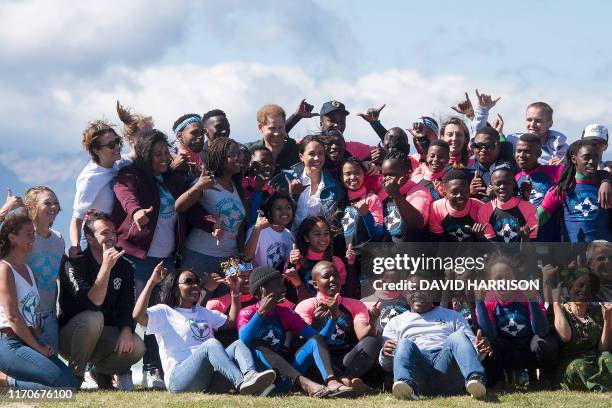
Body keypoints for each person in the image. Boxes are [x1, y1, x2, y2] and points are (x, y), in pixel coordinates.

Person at [113, 129, 216, 387]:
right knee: (132, 313)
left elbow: (188, 207)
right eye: (157, 154)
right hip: (138, 256)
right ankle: (121, 370)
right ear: (145, 155)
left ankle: (153, 370)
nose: (163, 158)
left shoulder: (172, 178)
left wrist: (210, 224)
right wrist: (136, 212)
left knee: (159, 315)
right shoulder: (131, 175)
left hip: (166, 259)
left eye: (165, 153)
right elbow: (125, 194)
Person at [133, 262, 276, 394]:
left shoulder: (202, 311)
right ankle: (242, 383)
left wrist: (235, 292)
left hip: (208, 377)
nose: (195, 285)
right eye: (189, 282)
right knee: (211, 344)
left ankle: (250, 376)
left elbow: (232, 321)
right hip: (178, 379)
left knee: (239, 343)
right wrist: (151, 282)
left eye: (197, 282)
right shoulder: (164, 311)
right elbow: (138, 316)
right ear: (174, 287)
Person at [237, 266, 356, 398]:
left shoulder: (286, 313)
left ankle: (332, 382)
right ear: (263, 290)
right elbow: (244, 340)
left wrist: (333, 318)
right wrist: (260, 314)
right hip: (262, 379)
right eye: (279, 285)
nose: (284, 289)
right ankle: (305, 384)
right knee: (257, 343)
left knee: (315, 339)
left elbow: (320, 341)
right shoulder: (247, 312)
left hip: (287, 375)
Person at [58, 210, 144, 390]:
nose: (111, 237)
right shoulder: (73, 264)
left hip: (103, 337)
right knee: (93, 317)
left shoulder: (125, 267)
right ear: (89, 238)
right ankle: (75, 377)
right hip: (70, 339)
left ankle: (101, 372)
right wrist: (106, 266)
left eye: (113, 232)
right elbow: (93, 302)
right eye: (105, 233)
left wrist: (127, 331)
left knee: (137, 347)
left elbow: (126, 306)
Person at [380, 273, 489, 400]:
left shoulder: (453, 316)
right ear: (405, 293)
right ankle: (405, 386)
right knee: (404, 343)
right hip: (418, 372)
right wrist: (385, 354)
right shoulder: (394, 323)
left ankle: (475, 379)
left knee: (458, 336)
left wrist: (480, 349)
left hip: (447, 369)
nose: (418, 293)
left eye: (424, 288)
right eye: (413, 289)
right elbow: (386, 365)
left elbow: (473, 350)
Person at [0, 210, 75, 390]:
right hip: (8, 341)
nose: (33, 238)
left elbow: (30, 314)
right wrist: (38, 347)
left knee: (69, 381)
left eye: (33, 234)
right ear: (12, 237)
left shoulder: (28, 270)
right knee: (64, 388)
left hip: (28, 339)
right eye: (28, 235)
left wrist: (41, 340)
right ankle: (6, 384)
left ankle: (10, 383)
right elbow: (14, 317)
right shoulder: (4, 269)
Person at [476, 252, 558, 389]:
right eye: (498, 278)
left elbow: (542, 330)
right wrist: (479, 302)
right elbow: (490, 335)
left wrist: (532, 300)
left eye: (508, 277)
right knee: (491, 345)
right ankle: (500, 382)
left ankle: (543, 379)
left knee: (546, 342)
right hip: (508, 352)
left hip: (529, 350)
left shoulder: (526, 293)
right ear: (490, 281)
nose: (503, 282)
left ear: (515, 278)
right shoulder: (488, 299)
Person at [295, 261, 378, 394]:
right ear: (315, 284)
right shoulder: (307, 305)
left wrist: (373, 321)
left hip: (345, 360)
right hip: (318, 363)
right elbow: (305, 341)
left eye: (336, 276)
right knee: (315, 340)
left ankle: (346, 379)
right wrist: (317, 323)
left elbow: (362, 335)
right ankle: (346, 382)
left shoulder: (354, 304)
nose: (333, 279)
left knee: (371, 341)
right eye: (326, 276)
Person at [181, 137, 246, 276]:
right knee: (200, 297)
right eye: (233, 154)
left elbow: (239, 227)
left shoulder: (237, 187)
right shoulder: (206, 182)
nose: (239, 158)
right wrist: (198, 187)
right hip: (200, 254)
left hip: (231, 257)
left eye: (239, 153)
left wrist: (242, 256)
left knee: (229, 295)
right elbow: (179, 207)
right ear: (221, 159)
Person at [544, 266, 612, 391]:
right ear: (570, 288)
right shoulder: (560, 309)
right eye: (580, 285)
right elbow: (565, 336)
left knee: (607, 357)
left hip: (595, 360)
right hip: (571, 363)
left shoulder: (597, 312)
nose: (584, 290)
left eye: (589, 287)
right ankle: (601, 387)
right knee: (579, 366)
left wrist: (607, 319)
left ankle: (601, 383)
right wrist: (556, 304)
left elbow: (603, 348)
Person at [70, 120, 131, 257]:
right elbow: (77, 218)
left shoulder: (120, 164)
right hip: (95, 240)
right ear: (96, 150)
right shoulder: (89, 179)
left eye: (118, 141)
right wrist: (76, 246)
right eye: (111, 145)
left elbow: (138, 154)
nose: (117, 147)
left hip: (115, 237)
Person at [539, 140, 612, 243]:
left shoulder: (606, 187)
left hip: (605, 255)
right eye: (586, 157)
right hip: (575, 255)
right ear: (574, 159)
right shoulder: (562, 188)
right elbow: (539, 217)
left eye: (595, 157)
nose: (591, 161)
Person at [470, 90, 568, 165]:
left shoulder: (562, 149)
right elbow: (478, 143)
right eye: (529, 120)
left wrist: (563, 166)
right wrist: (482, 111)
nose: (532, 124)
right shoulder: (514, 141)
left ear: (550, 123)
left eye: (538, 121)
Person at [272, 135, 345, 232]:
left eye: (320, 153)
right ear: (301, 156)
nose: (317, 158)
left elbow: (336, 222)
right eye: (311, 153)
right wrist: (292, 196)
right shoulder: (284, 179)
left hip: (319, 244)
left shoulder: (335, 186)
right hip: (287, 242)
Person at [23, 186, 64, 352]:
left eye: (56, 203)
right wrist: (5, 211)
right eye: (47, 203)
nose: (54, 207)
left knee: (55, 373)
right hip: (25, 317)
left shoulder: (59, 239)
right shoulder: (23, 237)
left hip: (50, 316)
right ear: (31, 207)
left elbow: (60, 274)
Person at [338, 157, 383, 296]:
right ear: (341, 177)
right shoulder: (340, 200)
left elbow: (378, 234)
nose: (352, 177)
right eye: (347, 174)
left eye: (357, 173)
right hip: (345, 261)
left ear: (364, 175)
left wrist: (366, 214)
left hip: (366, 263)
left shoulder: (371, 199)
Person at [286, 216, 347, 303]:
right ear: (306, 238)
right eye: (317, 234)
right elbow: (287, 293)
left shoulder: (336, 262)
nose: (323, 238)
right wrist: (292, 264)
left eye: (326, 234)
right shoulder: (295, 260)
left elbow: (343, 293)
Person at [378, 150, 433, 242]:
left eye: (391, 174)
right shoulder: (383, 192)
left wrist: (396, 195)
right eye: (384, 175)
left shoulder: (419, 192)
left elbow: (418, 223)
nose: (387, 178)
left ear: (406, 173)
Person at [477, 164, 538, 243]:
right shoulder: (484, 210)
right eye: (498, 184)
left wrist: (525, 239)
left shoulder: (530, 208)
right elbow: (492, 247)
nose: (502, 186)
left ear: (513, 184)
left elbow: (530, 250)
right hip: (496, 254)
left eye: (507, 183)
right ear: (491, 186)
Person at [428, 170, 486, 242]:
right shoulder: (436, 208)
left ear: (469, 192)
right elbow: (438, 241)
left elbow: (491, 245)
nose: (460, 196)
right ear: (445, 195)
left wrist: (480, 237)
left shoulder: (480, 207)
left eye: (464, 191)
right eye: (454, 192)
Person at [245, 192, 294, 271]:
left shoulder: (289, 234)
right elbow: (246, 258)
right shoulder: (259, 230)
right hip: (255, 280)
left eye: (288, 207)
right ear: (269, 212)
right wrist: (257, 228)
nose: (284, 211)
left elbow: (287, 264)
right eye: (278, 208)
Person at [247, 104, 299, 175]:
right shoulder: (249, 151)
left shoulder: (297, 150)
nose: (277, 133)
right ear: (260, 127)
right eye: (272, 128)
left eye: (280, 127)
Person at [467, 127, 517, 200]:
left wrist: (497, 195)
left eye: (488, 145)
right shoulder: (466, 169)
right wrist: (469, 192)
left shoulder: (508, 167)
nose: (483, 150)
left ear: (499, 146)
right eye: (478, 145)